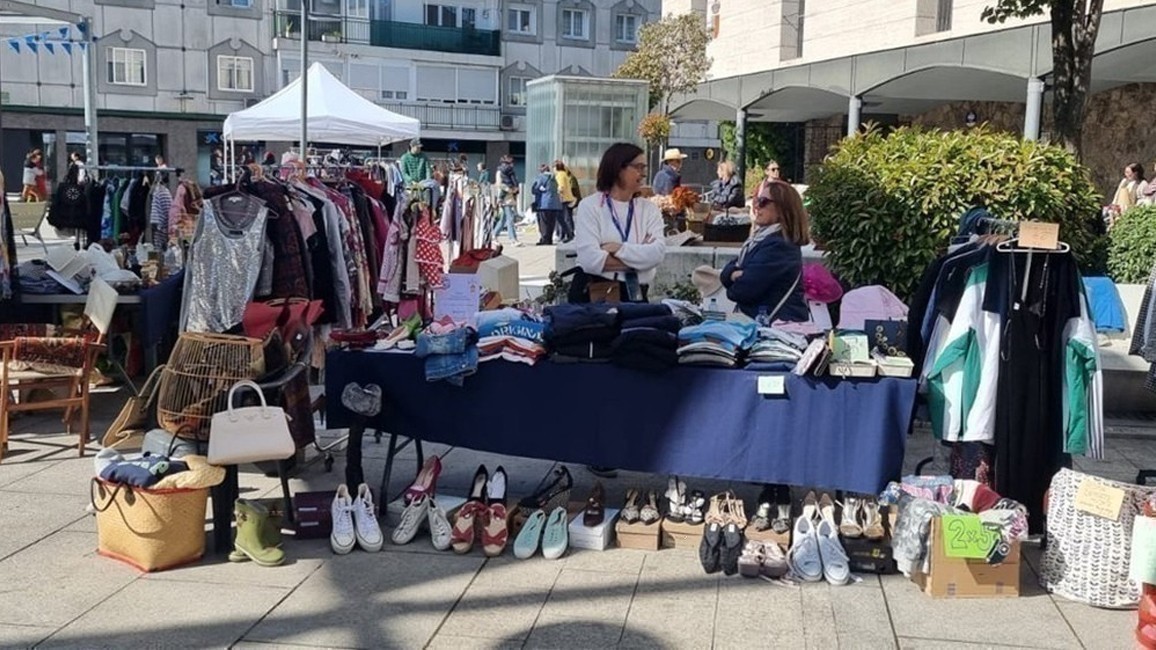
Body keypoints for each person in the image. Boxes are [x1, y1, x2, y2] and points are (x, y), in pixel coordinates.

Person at [574, 142, 667, 303]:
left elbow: (657, 254)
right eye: (638, 167)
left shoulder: (649, 210)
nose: (644, 173)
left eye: (644, 168)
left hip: (635, 294)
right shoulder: (590, 206)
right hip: (595, 293)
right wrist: (641, 260)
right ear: (618, 169)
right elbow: (589, 259)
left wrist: (618, 249)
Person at [720, 179, 810, 322]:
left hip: (779, 327)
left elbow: (742, 291)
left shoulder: (779, 246)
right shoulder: (761, 240)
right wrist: (732, 274)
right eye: (756, 200)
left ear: (781, 209)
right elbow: (729, 271)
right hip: (763, 323)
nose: (756, 206)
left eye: (763, 201)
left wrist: (733, 276)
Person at [493, 155, 522, 246]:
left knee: (503, 219)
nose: (511, 164)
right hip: (505, 199)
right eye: (510, 162)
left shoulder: (509, 172)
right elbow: (499, 184)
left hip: (509, 197)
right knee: (510, 218)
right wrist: (511, 190)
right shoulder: (500, 172)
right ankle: (513, 239)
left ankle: (493, 235)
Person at [532, 164, 563, 246]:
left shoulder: (541, 177)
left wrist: (537, 191)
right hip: (555, 204)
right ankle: (549, 239)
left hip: (544, 204)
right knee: (551, 222)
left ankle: (544, 239)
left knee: (543, 222)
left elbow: (535, 188)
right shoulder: (554, 178)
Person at [554, 160, 577, 242]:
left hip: (563, 199)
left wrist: (557, 193)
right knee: (567, 217)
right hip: (568, 198)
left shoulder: (560, 175)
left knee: (563, 218)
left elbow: (561, 187)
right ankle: (569, 233)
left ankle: (567, 234)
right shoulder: (565, 174)